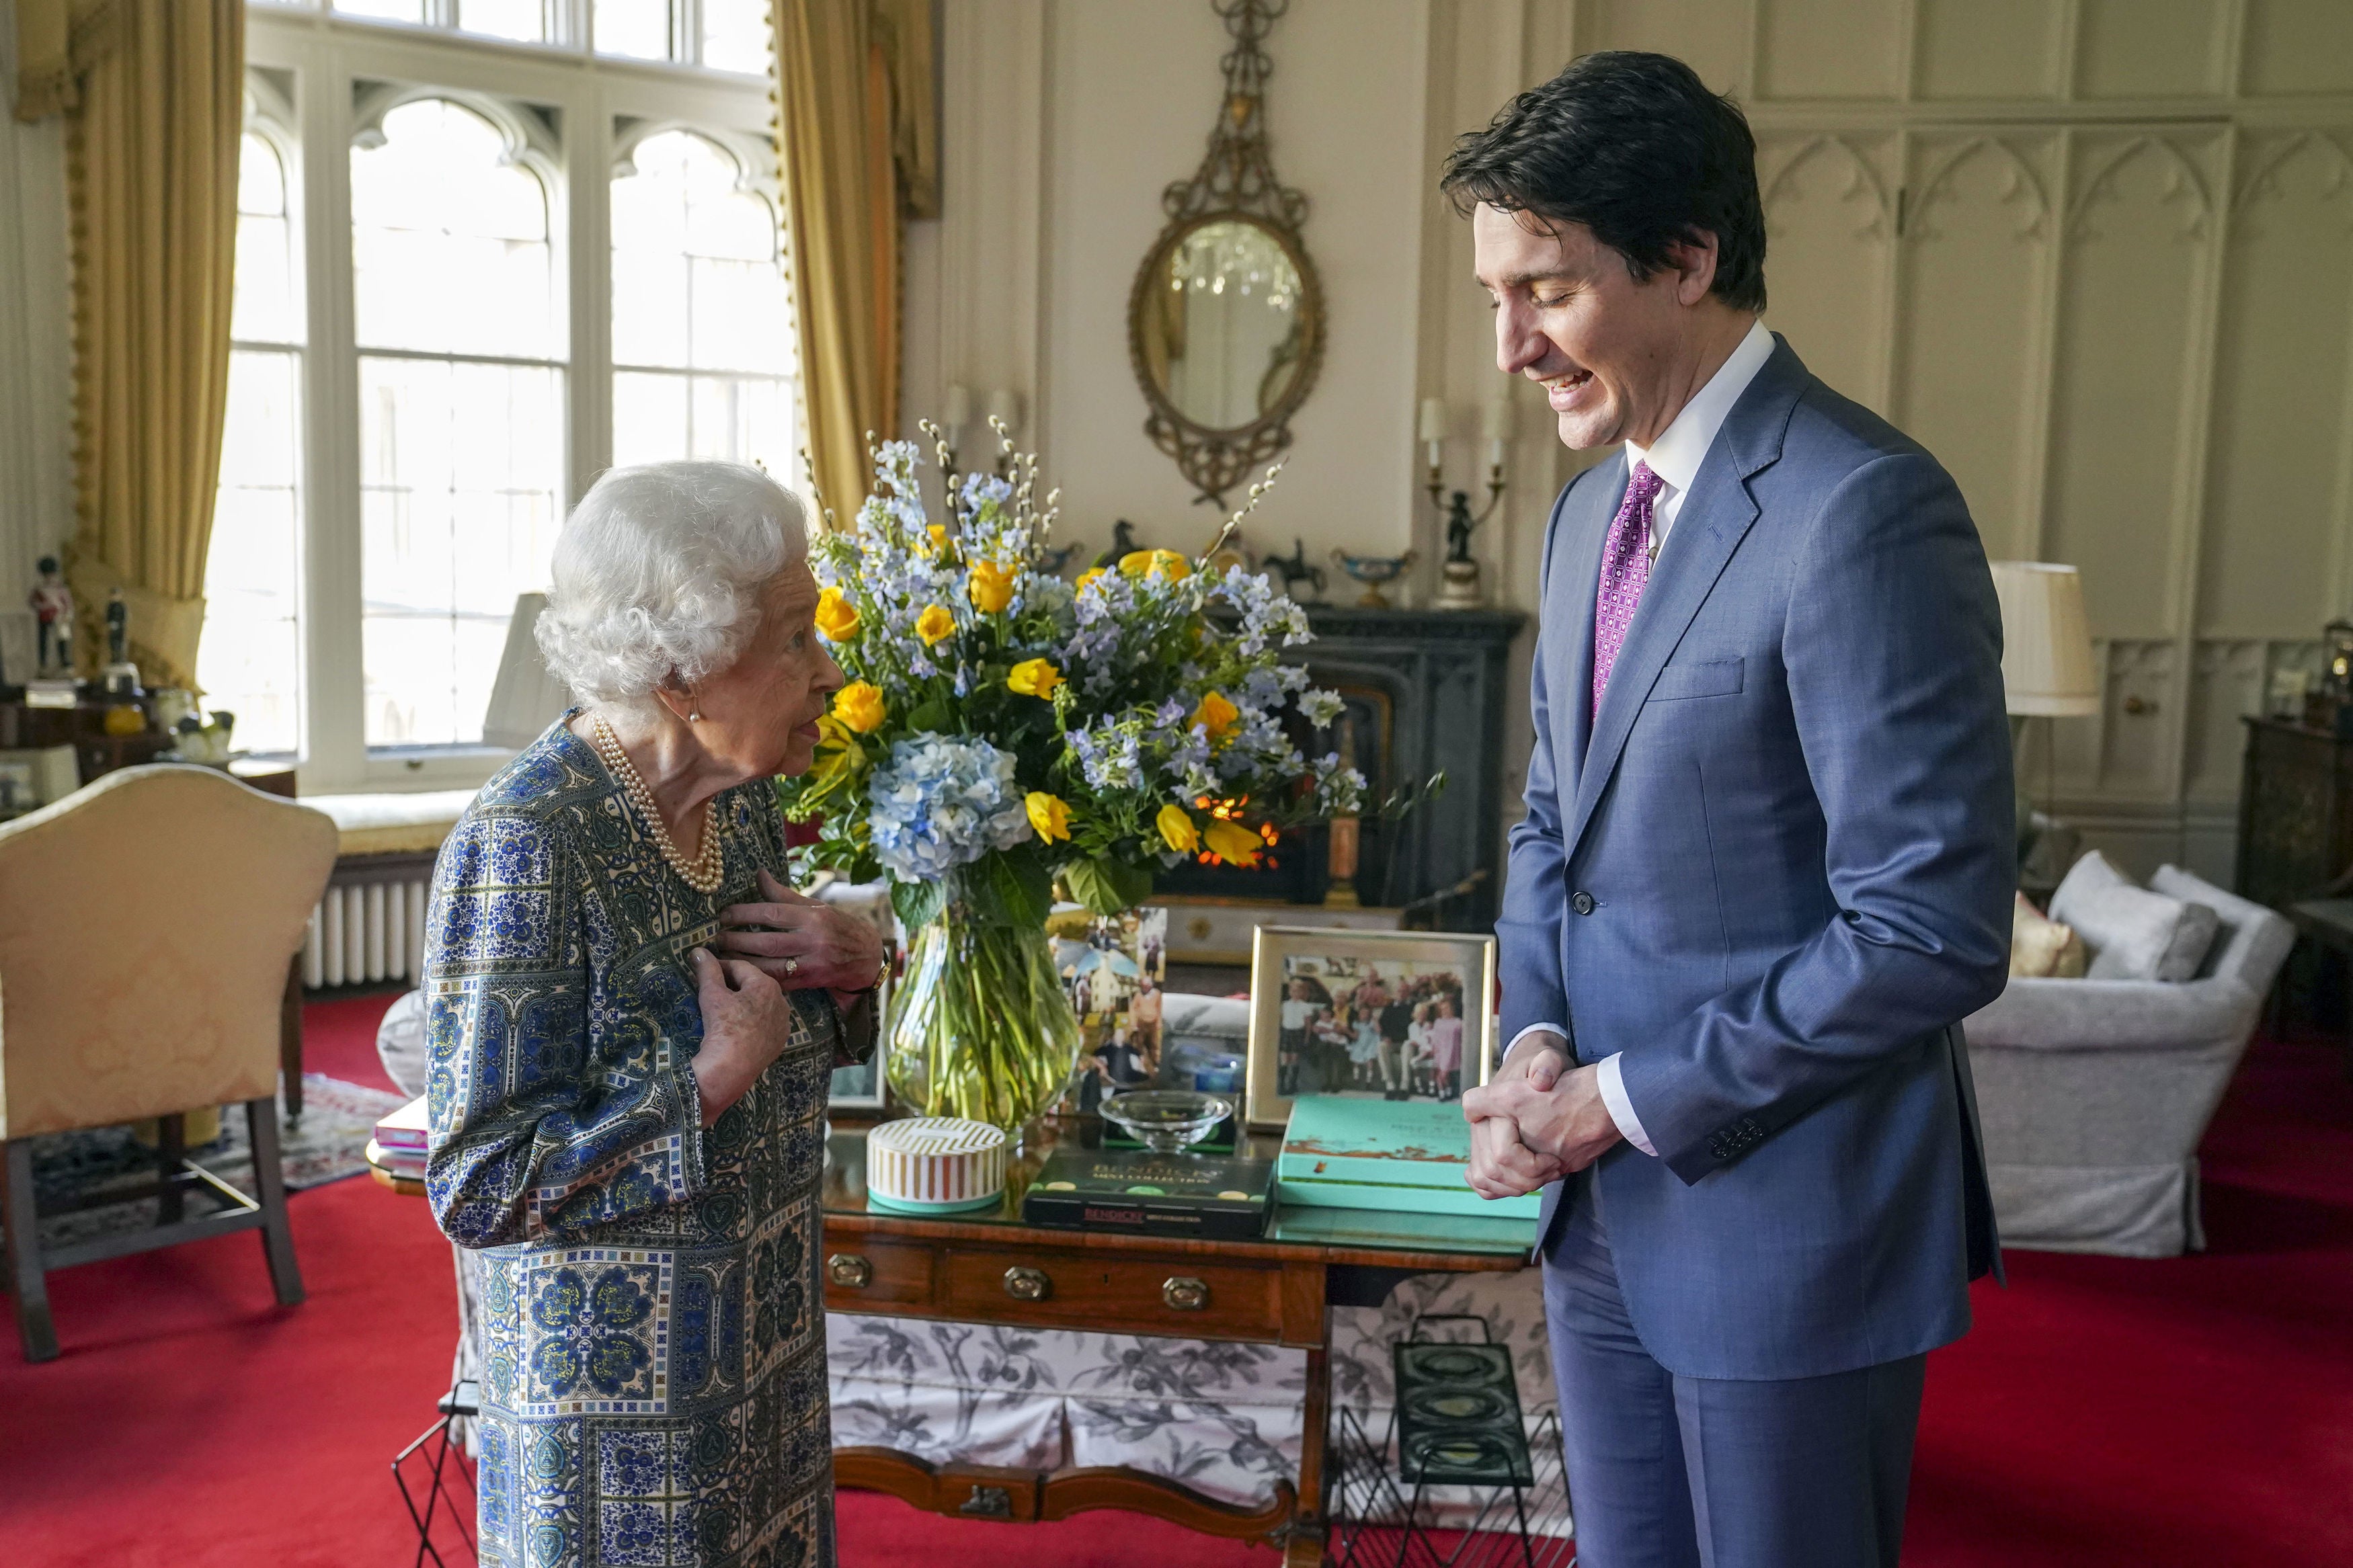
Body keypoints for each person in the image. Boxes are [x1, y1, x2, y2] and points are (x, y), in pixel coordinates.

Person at [1449, 52, 2011, 1568]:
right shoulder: (1586, 514)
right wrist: (1535, 1045)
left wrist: (1613, 1105)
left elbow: (1928, 930)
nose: (1508, 345)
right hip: (1598, 1222)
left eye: (1547, 292)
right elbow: (1550, 833)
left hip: (1789, 1231)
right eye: (1497, 294)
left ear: (1685, 258)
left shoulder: (1862, 508)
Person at [424, 460, 888, 1568]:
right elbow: (479, 1182)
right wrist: (706, 1081)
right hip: (618, 1433)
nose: (826, 671)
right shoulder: (530, 842)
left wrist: (859, 962)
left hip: (761, 1365)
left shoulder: (741, 796)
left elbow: (788, 1024)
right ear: (684, 668)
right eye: (792, 635)